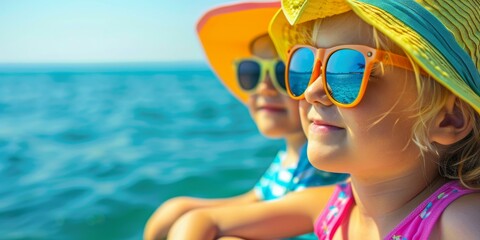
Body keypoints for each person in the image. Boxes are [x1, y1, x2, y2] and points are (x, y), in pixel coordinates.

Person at [167, 0, 480, 239]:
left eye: (349, 69)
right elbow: (202, 221)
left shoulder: (461, 222)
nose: (313, 90)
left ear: (447, 119)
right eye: (306, 64)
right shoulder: (335, 205)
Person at [144, 2, 348, 240]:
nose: (265, 87)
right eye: (251, 72)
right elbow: (260, 198)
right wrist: (179, 210)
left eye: (286, 72)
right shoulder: (288, 158)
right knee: (174, 211)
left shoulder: (328, 160)